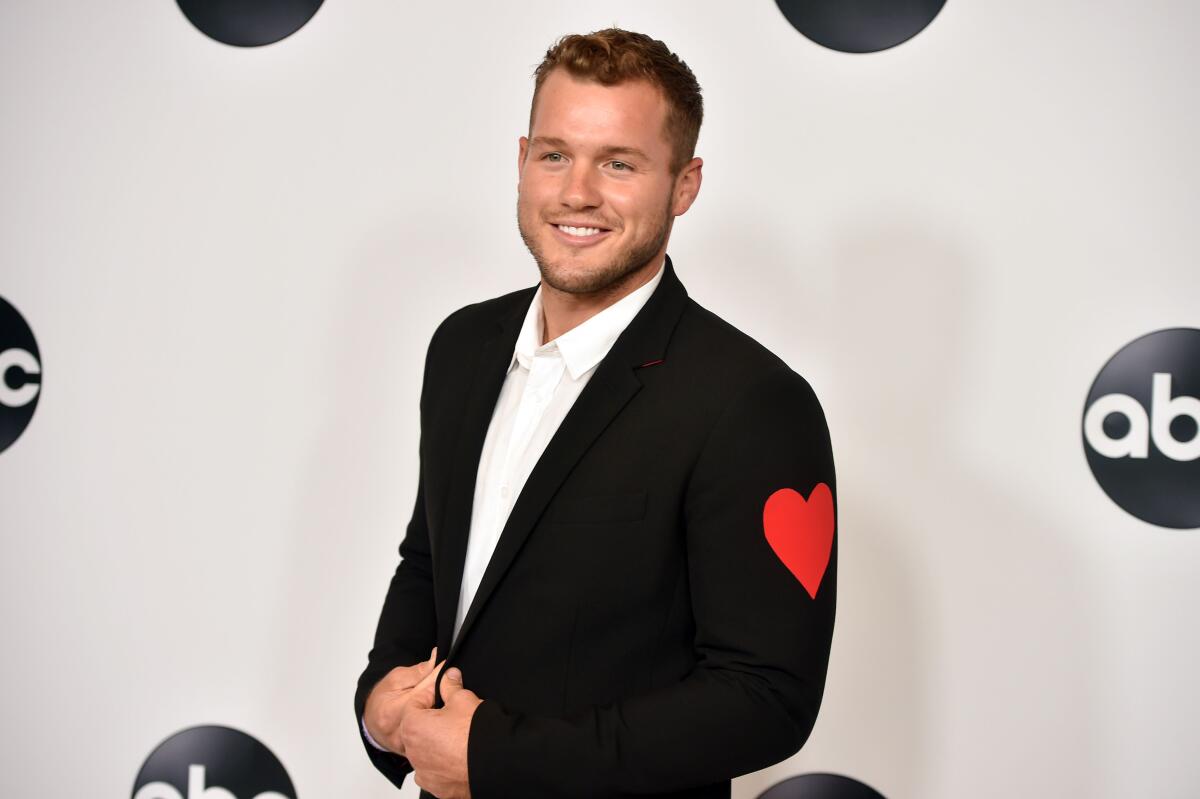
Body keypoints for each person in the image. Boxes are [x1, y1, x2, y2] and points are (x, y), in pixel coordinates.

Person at [355, 28, 838, 799]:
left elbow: (764, 697)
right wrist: (379, 700)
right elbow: (432, 562)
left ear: (685, 185)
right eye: (555, 155)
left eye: (619, 163)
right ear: (521, 161)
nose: (577, 192)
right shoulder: (462, 346)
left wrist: (499, 756)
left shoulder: (750, 401)